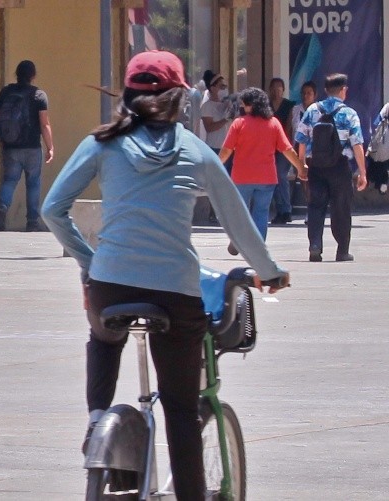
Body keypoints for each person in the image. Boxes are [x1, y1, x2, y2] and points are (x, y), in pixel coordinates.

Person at [41, 50, 289, 501]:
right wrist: (270, 272)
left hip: (110, 285)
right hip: (176, 292)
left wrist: (89, 262)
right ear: (181, 99)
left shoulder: (102, 142)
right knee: (179, 409)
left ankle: (97, 418)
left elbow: (52, 210)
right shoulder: (195, 150)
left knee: (103, 338)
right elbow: (238, 223)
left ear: (127, 94)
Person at [218, 87, 306, 254]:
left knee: (240, 211)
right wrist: (300, 167)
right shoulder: (273, 123)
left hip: (242, 177)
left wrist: (215, 166)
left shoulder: (239, 123)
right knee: (261, 212)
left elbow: (226, 151)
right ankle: (258, 247)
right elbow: (287, 149)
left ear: (251, 105)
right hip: (266, 178)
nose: (242, 107)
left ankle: (237, 239)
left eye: (244, 104)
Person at [295, 73, 367, 262]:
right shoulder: (349, 113)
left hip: (316, 166)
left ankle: (315, 245)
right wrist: (362, 172)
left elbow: (301, 139)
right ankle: (342, 250)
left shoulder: (312, 110)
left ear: (326, 90)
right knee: (341, 207)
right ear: (344, 90)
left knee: (315, 206)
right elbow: (357, 144)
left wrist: (301, 164)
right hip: (340, 167)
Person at [0, 60, 54, 232]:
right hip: (32, 147)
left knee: (9, 180)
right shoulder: (39, 95)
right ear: (33, 75)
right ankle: (32, 222)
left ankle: (2, 209)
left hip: (11, 146)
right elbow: (44, 124)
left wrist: (1, 139)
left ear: (17, 74)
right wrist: (50, 147)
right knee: (33, 183)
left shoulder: (5, 92)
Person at [199, 70, 234, 224]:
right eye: (221, 86)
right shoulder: (207, 106)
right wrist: (225, 120)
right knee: (217, 182)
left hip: (229, 147)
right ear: (212, 88)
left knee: (229, 180)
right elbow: (209, 127)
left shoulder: (226, 104)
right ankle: (214, 212)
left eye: (225, 86)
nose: (224, 89)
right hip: (215, 148)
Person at [268, 78, 297, 224]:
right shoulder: (266, 105)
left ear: (283, 89)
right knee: (272, 177)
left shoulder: (289, 105)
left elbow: (289, 126)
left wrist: (287, 144)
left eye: (279, 87)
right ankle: (279, 209)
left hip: (284, 146)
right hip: (269, 147)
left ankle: (286, 209)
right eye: (274, 87)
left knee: (281, 174)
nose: (277, 90)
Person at [290, 80, 318, 220]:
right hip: (298, 149)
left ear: (315, 95)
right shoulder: (295, 110)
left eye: (309, 93)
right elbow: (290, 130)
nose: (306, 96)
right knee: (304, 179)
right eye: (304, 93)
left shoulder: (319, 111)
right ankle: (309, 206)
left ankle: (314, 208)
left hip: (315, 150)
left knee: (314, 180)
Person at [367, 102, 389, 194]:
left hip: (383, 140)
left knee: (377, 160)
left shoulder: (388, 106)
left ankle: (376, 181)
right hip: (384, 145)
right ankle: (382, 183)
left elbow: (377, 121)